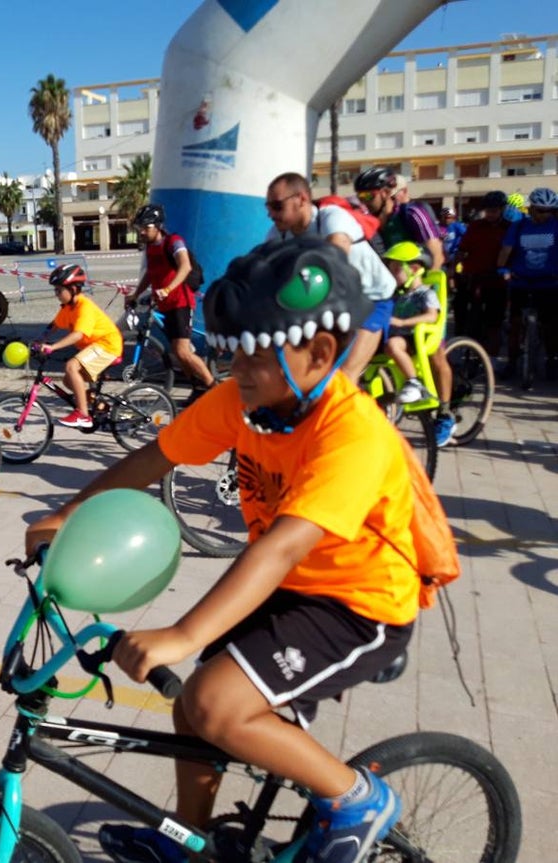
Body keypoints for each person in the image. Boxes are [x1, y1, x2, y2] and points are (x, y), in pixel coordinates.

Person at [28, 238, 422, 863]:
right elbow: (156, 456)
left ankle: (357, 798)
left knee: (213, 701)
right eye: (229, 353)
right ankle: (191, 841)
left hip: (359, 603)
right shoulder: (248, 401)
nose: (234, 369)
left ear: (320, 353)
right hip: (292, 589)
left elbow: (282, 548)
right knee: (195, 706)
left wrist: (183, 633)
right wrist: (67, 514)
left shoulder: (352, 433)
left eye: (251, 355)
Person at [262, 172, 396, 383]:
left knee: (342, 377)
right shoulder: (278, 234)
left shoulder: (331, 218)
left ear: (302, 199)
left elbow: (335, 261)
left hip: (372, 300)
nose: (271, 214)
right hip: (333, 304)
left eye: (277, 206)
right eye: (267, 207)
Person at [355, 168, 453, 445]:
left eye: (368, 195)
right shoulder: (371, 221)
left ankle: (445, 414)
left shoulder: (411, 213)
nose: (364, 200)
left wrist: (421, 287)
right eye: (360, 195)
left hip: (424, 285)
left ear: (386, 193)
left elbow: (436, 254)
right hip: (393, 288)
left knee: (434, 353)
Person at [125, 204, 215, 399]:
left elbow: (185, 266)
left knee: (182, 351)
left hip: (181, 302)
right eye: (139, 227)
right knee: (177, 352)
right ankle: (197, 388)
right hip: (165, 305)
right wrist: (135, 294)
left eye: (146, 227)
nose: (141, 231)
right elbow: (150, 274)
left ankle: (214, 388)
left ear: (157, 226)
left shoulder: (174, 242)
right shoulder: (150, 248)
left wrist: (167, 288)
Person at [41, 264, 123, 428]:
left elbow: (78, 334)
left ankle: (83, 415)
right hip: (94, 347)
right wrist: (40, 339)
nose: (56, 294)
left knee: (71, 366)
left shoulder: (84, 307)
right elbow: (55, 325)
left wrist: (53, 347)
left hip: (107, 346)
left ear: (72, 289)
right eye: (55, 290)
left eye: (59, 290)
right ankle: (99, 406)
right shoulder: (68, 307)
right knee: (68, 380)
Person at [496, 186, 558, 380]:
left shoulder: (556, 225)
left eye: (550, 210)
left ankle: (552, 360)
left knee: (551, 325)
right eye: (541, 210)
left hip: (549, 283)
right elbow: (506, 251)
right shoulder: (520, 226)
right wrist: (503, 269)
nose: (545, 215)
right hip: (520, 281)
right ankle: (512, 362)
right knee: (515, 324)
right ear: (531, 208)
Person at [381, 243, 439, 404]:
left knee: (393, 345)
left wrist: (402, 322)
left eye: (395, 269)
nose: (391, 274)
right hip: (394, 335)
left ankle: (414, 383)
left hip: (412, 338)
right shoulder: (397, 295)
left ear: (412, 270)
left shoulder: (425, 293)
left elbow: (431, 316)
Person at [453, 191, 511, 351]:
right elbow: (462, 250)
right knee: (462, 310)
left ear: (502, 210)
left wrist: (508, 272)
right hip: (474, 277)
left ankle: (492, 354)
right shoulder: (475, 226)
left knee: (495, 319)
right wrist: (454, 270)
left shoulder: (509, 228)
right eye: (488, 211)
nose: (490, 214)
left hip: (497, 279)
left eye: (494, 211)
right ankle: (461, 346)